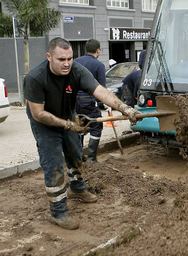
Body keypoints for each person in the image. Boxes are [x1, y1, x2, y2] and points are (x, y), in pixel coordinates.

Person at [23, 37, 139, 230]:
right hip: (44, 123)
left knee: (76, 154)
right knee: (54, 164)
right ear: (49, 57)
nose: (67, 63)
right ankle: (58, 212)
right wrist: (68, 125)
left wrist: (125, 108)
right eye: (61, 59)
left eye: (70, 58)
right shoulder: (35, 77)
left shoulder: (76, 71)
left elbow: (100, 91)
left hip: (67, 115)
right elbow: (38, 113)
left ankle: (77, 188)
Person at [75, 39, 105, 162]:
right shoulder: (99, 65)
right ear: (98, 50)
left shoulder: (75, 62)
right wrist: (103, 104)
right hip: (88, 100)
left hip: (74, 101)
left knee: (79, 126)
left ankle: (79, 156)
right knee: (96, 125)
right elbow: (101, 88)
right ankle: (91, 158)